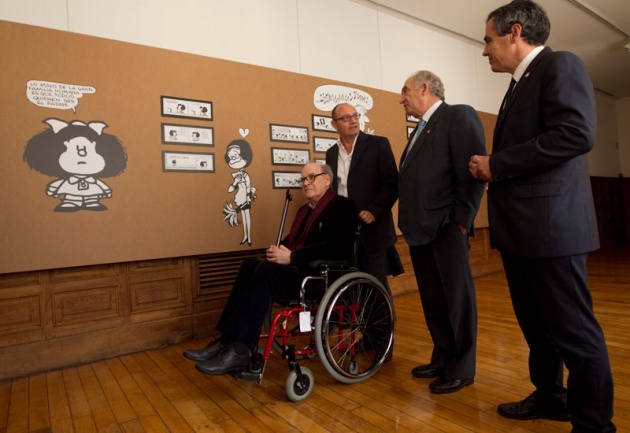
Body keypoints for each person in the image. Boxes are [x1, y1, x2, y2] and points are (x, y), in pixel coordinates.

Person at [469, 1, 615, 431]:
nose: (484, 51)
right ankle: (552, 397)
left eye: (488, 40)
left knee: (576, 335)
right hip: (523, 233)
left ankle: (593, 424)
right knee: (539, 330)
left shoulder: (560, 65)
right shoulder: (520, 82)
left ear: (515, 32)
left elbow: (576, 133)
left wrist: (497, 163)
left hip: (551, 231)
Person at [184, 163, 358, 375]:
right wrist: (278, 250)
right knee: (251, 265)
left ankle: (240, 350)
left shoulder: (343, 206)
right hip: (300, 271)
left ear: (327, 180)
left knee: (267, 272)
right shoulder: (305, 211)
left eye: (311, 177)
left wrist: (292, 256)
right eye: (303, 179)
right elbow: (295, 241)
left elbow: (336, 248)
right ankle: (227, 341)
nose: (305, 183)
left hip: (321, 278)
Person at [398, 70, 486, 394]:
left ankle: (462, 368)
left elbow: (473, 172)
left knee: (457, 300)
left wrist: (461, 222)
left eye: (405, 91)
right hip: (419, 231)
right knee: (434, 300)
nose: (401, 98)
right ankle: (443, 357)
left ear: (424, 88)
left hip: (448, 228)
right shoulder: (419, 130)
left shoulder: (458, 116)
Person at [326, 103, 402, 294]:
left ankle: (383, 324)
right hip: (346, 230)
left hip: (373, 229)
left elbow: (391, 184)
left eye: (355, 115)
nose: (353, 120)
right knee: (352, 284)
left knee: (374, 283)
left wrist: (374, 211)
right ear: (334, 124)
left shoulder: (378, 145)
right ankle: (365, 323)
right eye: (346, 118)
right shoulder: (331, 153)